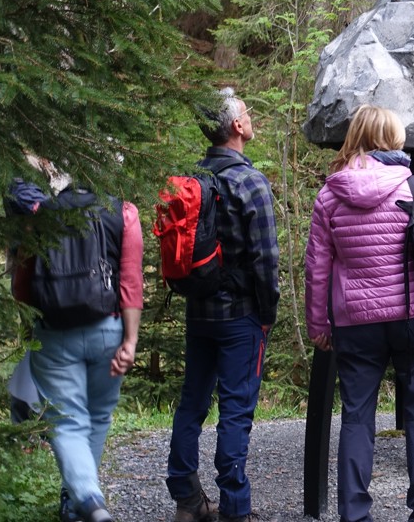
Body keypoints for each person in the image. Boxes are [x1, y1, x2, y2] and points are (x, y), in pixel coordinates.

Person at [305, 105, 414, 522]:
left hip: (355, 324)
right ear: (392, 139)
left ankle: (354, 514)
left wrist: (318, 323)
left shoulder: (329, 195)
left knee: (357, 417)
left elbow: (317, 267)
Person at [165, 88, 280, 522]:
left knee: (192, 403)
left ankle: (186, 500)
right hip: (241, 318)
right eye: (247, 112)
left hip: (199, 313)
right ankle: (235, 508)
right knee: (236, 409)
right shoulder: (250, 182)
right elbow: (266, 259)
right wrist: (266, 315)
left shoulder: (192, 177)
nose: (251, 117)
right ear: (236, 126)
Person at [10, 176, 142, 522]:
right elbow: (130, 283)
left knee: (68, 423)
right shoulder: (123, 212)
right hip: (108, 332)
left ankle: (87, 499)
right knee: (97, 417)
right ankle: (78, 502)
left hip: (54, 336)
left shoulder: (40, 215)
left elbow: (22, 289)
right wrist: (130, 341)